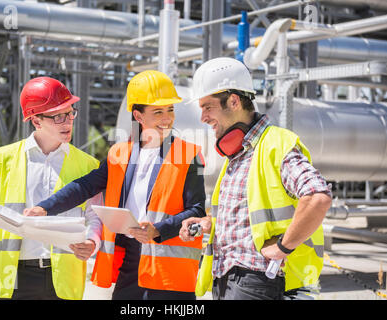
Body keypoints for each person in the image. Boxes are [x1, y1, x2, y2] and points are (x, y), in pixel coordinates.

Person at [23, 70, 206, 300]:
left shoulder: (189, 154)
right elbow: (85, 186)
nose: (167, 118)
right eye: (158, 111)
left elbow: (197, 210)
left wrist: (158, 229)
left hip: (168, 269)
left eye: (170, 109)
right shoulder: (119, 153)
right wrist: (45, 208)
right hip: (129, 262)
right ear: (138, 116)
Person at [179, 57, 332, 300]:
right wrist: (208, 223)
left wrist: (283, 247)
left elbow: (317, 197)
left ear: (233, 101)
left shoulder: (276, 144)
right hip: (226, 278)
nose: (203, 118)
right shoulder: (238, 155)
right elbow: (246, 216)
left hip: (257, 280)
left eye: (207, 107)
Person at [0, 77, 103, 300]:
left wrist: (92, 242)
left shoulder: (88, 165)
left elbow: (95, 217)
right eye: (58, 116)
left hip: (64, 279)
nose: (68, 122)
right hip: (14, 277)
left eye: (70, 113)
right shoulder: (4, 159)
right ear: (36, 121)